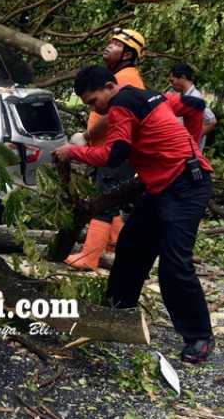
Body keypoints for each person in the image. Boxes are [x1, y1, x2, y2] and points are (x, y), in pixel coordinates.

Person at [53, 66, 215, 363]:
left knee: (174, 264)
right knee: (132, 244)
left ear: (109, 86)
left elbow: (114, 155)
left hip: (185, 187)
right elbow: (194, 105)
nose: (94, 108)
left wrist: (72, 152)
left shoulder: (121, 105)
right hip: (164, 186)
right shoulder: (151, 96)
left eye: (93, 101)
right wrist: (187, 145)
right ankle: (117, 310)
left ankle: (200, 337)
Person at [65, 28, 146, 270]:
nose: (109, 47)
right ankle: (115, 244)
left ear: (129, 54)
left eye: (117, 44)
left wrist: (86, 136)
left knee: (103, 202)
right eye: (110, 42)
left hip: (116, 150)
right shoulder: (119, 75)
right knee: (110, 198)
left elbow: (112, 117)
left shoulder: (127, 77)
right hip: (108, 149)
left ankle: (89, 257)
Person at [169, 63, 217, 150]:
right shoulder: (182, 97)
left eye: (172, 81)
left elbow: (212, 121)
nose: (171, 85)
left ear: (183, 78)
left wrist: (190, 140)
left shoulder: (195, 98)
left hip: (190, 151)